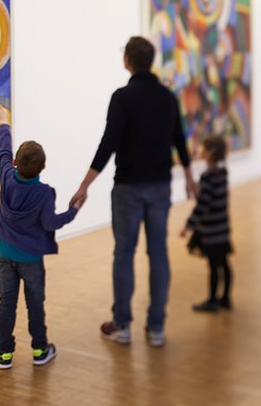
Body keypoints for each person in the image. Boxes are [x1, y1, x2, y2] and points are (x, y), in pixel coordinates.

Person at [72, 36, 196, 348]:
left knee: (124, 253)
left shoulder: (122, 97)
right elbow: (179, 139)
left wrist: (85, 184)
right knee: (159, 254)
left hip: (128, 188)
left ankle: (123, 325)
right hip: (159, 186)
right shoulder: (167, 97)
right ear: (150, 60)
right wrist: (190, 177)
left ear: (128, 60)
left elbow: (108, 142)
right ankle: (156, 328)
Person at [0, 104, 79, 370]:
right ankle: (40, 349)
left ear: (15, 162)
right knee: (35, 304)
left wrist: (4, 122)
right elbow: (51, 223)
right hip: (31, 260)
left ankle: (4, 353)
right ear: (43, 168)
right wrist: (72, 212)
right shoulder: (44, 193)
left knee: (6, 304)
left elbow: (3, 150)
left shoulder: (7, 177)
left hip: (5, 255)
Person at [180, 135, 232, 312]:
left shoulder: (208, 176)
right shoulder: (222, 173)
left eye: (203, 148)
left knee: (213, 265)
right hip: (222, 229)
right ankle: (225, 298)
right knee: (224, 264)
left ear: (210, 153)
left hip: (211, 231)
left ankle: (212, 301)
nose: (200, 151)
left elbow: (203, 205)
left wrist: (188, 225)